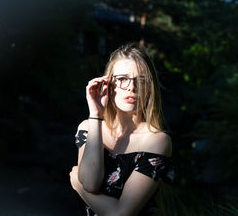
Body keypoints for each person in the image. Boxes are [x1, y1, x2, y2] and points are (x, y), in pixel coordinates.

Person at [69, 42, 174, 216]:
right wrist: (96, 114)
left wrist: (77, 185)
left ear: (150, 87)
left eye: (141, 81)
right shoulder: (89, 127)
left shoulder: (156, 141)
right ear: (108, 83)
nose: (132, 88)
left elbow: (121, 214)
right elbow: (90, 183)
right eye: (122, 79)